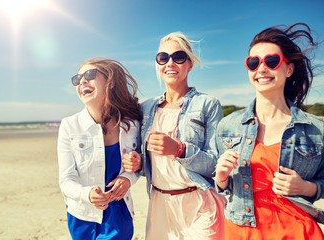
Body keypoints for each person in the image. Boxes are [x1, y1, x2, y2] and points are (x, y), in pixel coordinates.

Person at [215, 23, 324, 239]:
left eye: (271, 61)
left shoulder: (315, 129)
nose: (261, 69)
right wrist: (221, 178)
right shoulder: (227, 126)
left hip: (298, 232)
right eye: (253, 62)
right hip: (242, 232)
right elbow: (225, 188)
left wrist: (306, 188)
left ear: (289, 68)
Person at [123, 32, 226, 239]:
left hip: (199, 204)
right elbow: (146, 161)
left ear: (190, 64)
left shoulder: (208, 104)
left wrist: (179, 149)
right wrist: (135, 161)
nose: (170, 63)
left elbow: (216, 164)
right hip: (159, 205)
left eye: (178, 57)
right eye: (163, 58)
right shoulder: (146, 108)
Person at [57, 57, 141, 240]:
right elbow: (65, 180)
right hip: (81, 216)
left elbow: (139, 166)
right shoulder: (69, 126)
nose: (82, 81)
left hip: (119, 216)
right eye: (77, 79)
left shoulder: (131, 124)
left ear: (109, 82)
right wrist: (87, 194)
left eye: (89, 74)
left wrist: (127, 178)